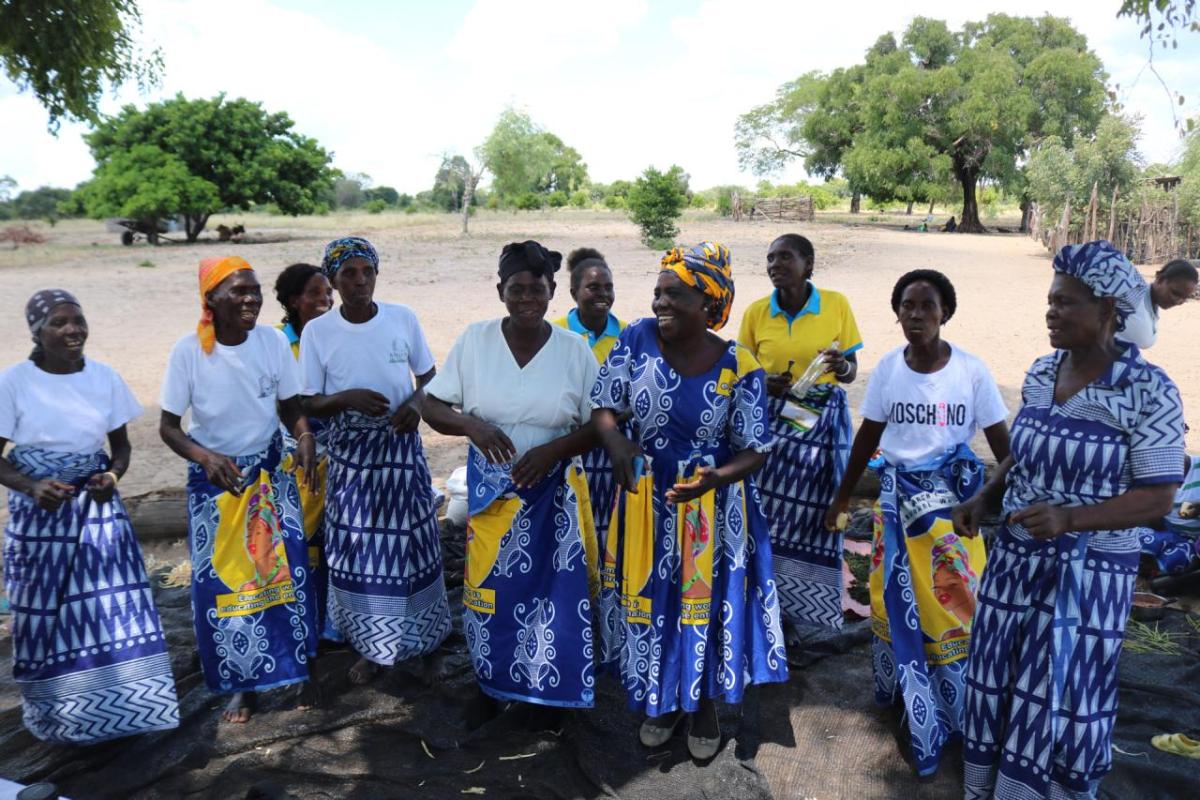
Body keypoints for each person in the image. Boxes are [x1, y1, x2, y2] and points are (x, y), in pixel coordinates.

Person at [955, 240, 1185, 799]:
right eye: (1051, 301)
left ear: (1109, 311)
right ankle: (994, 788)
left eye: (1067, 303)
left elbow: (1158, 497)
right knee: (995, 678)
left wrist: (1071, 519)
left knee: (1063, 691)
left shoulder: (1149, 392)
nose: (1051, 312)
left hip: (1089, 577)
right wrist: (987, 496)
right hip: (1015, 559)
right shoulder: (1041, 372)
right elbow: (1023, 450)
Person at [592, 242, 787, 760]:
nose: (660, 303)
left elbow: (756, 450)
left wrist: (713, 479)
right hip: (646, 501)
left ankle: (701, 705)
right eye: (657, 292)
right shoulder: (635, 340)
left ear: (708, 303)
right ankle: (662, 699)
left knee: (703, 605)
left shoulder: (738, 365)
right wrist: (617, 442)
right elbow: (604, 408)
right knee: (654, 602)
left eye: (674, 294)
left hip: (712, 509)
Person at [823, 269, 1010, 777]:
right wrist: (842, 496)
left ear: (945, 313)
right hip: (893, 508)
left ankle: (961, 713)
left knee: (954, 605)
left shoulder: (970, 371)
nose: (917, 316)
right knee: (891, 597)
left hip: (953, 514)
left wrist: (1001, 502)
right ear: (897, 312)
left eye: (927, 307)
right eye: (908, 306)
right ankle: (910, 699)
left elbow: (1004, 449)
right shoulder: (888, 369)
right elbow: (868, 437)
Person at [422, 240, 600, 722]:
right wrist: (472, 426)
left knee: (552, 595)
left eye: (536, 288)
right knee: (487, 592)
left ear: (552, 291)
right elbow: (431, 404)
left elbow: (601, 422)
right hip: (491, 492)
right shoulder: (476, 340)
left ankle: (548, 692)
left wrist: (552, 450)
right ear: (500, 290)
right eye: (516, 288)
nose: (526, 297)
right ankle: (492, 683)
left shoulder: (573, 350)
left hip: (553, 491)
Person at [0, 290, 179, 744]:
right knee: (40, 610)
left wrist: (113, 477)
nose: (73, 330)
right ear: (37, 332)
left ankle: (127, 710)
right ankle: (59, 718)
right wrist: (32, 486)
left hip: (96, 509)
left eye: (78, 320)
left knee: (112, 604)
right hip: (41, 515)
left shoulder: (104, 378)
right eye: (59, 323)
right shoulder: (14, 383)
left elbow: (120, 448)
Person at [160, 257, 319, 724]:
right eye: (238, 291)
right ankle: (243, 684)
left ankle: (299, 668)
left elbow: (289, 407)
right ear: (211, 299)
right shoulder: (190, 352)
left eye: (255, 289)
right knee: (228, 585)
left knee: (287, 572)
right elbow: (169, 428)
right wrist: (207, 458)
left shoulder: (270, 342)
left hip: (272, 472)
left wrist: (305, 434)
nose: (251, 298)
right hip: (218, 482)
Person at [300, 237, 451, 685]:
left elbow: (428, 376)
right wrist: (345, 398)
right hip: (350, 458)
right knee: (358, 549)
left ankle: (421, 637)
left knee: (413, 541)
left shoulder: (402, 318)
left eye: (367, 272)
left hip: (400, 448)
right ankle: (371, 646)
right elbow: (308, 399)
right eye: (348, 273)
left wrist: (416, 404)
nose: (359, 281)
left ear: (377, 274)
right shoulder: (318, 332)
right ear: (333, 280)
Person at [738, 233, 862, 636]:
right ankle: (758, 603)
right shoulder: (757, 313)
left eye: (785, 257)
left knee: (807, 513)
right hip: (770, 421)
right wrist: (764, 383)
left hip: (816, 419)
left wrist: (841, 365)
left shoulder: (836, 305)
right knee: (766, 511)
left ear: (808, 263)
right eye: (770, 257)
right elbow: (743, 371)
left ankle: (792, 611)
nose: (775, 264)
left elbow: (851, 371)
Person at [552, 246, 627, 666]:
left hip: (614, 457)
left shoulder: (630, 335)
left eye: (608, 286)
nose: (602, 294)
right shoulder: (556, 333)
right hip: (573, 454)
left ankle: (612, 628)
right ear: (573, 291)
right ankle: (576, 627)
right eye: (592, 286)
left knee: (613, 540)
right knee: (577, 541)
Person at [273, 263, 338, 640]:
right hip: (295, 454)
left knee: (334, 540)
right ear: (294, 300)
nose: (326, 300)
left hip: (335, 455)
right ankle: (302, 625)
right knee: (299, 539)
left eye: (328, 292)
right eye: (315, 294)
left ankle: (331, 626)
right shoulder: (279, 343)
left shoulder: (336, 335)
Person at [1116, 257, 1198, 350]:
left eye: (1185, 298)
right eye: (1175, 293)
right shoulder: (1131, 302)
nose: (1179, 302)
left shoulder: (1150, 304)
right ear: (1160, 279)